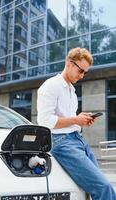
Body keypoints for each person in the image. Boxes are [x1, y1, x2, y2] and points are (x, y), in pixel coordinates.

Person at [37, 47, 116, 200]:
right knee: (104, 188)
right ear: (69, 64)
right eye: (81, 71)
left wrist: (81, 120)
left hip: (76, 139)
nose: (82, 76)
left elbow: (68, 120)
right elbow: (45, 121)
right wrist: (75, 119)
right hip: (61, 142)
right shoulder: (50, 85)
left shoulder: (71, 91)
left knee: (96, 188)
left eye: (85, 73)